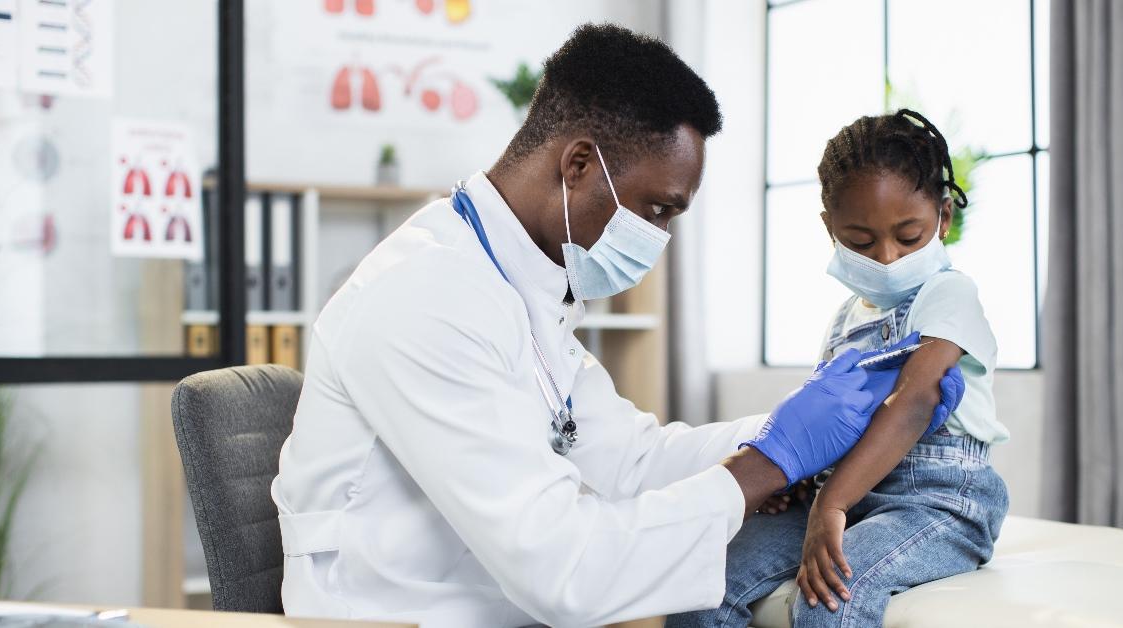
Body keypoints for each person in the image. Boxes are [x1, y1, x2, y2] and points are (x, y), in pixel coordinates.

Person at [271, 25, 965, 628]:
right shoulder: (422, 299)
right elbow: (561, 566)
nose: (660, 235)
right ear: (577, 165)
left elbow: (629, 460)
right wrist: (765, 467)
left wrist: (789, 430)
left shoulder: (523, 289)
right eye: (658, 210)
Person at [668, 110, 1010, 628]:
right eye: (862, 243)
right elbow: (828, 423)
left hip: (938, 501)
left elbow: (915, 400)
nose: (888, 257)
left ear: (942, 218)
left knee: (831, 598)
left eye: (909, 236)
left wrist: (832, 504)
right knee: (704, 583)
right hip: (847, 494)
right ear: (830, 229)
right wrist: (803, 480)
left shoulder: (949, 293)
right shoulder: (845, 319)